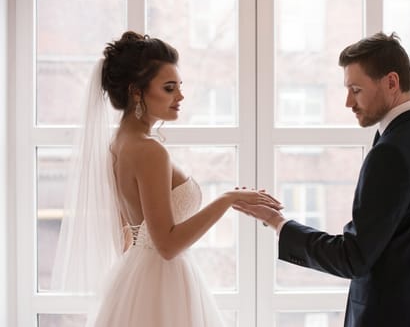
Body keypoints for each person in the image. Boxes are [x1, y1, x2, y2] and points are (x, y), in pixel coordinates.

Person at [233, 32, 410, 327]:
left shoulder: (391, 152)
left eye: (356, 89)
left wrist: (279, 223)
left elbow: (352, 258)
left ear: (391, 82)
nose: (348, 102)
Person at [51, 31, 282, 327]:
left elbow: (128, 232)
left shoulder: (118, 143)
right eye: (169, 88)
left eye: (179, 87)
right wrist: (228, 199)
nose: (180, 96)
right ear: (137, 91)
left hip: (138, 277)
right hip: (161, 281)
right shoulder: (149, 150)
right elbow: (167, 245)